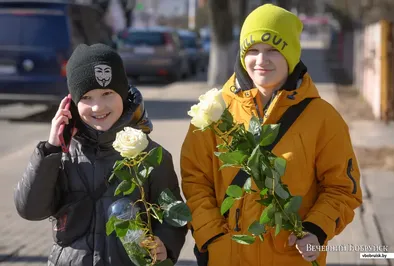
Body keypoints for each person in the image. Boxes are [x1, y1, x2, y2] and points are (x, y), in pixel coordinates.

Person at [180, 4, 362, 266]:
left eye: (273, 50)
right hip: (226, 256)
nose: (261, 60)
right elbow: (195, 181)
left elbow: (342, 189)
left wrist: (316, 230)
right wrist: (211, 236)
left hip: (292, 258)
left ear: (291, 55)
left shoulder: (323, 118)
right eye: (252, 50)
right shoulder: (213, 111)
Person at [14, 43, 187, 266]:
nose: (98, 107)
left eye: (107, 93)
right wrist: (51, 149)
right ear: (71, 103)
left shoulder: (151, 155)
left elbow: (173, 215)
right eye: (86, 97)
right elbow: (30, 209)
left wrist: (166, 243)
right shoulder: (60, 155)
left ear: (123, 95)